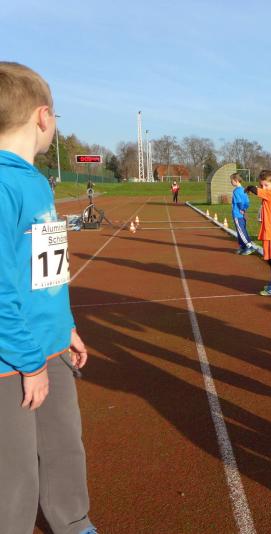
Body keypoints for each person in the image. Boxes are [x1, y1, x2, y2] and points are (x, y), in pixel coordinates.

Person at [0, 61, 96, 534]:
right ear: (43, 117)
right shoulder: (3, 185)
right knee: (14, 472)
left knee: (63, 444)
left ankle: (73, 521)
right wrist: (28, 362)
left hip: (49, 345)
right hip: (11, 359)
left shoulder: (35, 181)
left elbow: (47, 271)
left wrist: (66, 326)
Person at [246, 169, 271, 296]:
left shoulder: (270, 194)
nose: (264, 188)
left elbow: (256, 191)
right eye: (262, 185)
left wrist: (249, 187)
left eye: (266, 185)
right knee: (269, 259)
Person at [229, 172, 256, 255]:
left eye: (231, 180)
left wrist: (241, 209)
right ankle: (243, 246)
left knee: (240, 231)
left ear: (236, 180)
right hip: (242, 214)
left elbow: (239, 202)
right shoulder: (244, 190)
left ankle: (249, 246)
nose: (231, 182)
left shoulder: (236, 191)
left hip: (237, 214)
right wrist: (244, 209)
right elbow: (247, 202)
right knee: (242, 230)